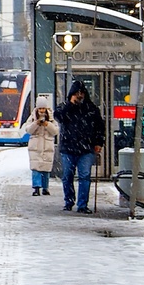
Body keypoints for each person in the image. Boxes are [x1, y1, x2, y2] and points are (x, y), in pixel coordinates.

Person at [55, 79, 105, 214]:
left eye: (81, 93)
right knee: (68, 176)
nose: (79, 96)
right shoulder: (65, 107)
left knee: (84, 176)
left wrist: (98, 142)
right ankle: (69, 201)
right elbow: (58, 116)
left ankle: (82, 204)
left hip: (86, 149)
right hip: (69, 148)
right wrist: (70, 105)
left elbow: (99, 127)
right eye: (76, 93)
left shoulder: (91, 109)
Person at [22, 95, 59, 197]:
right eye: (40, 108)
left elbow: (55, 131)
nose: (42, 111)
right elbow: (28, 130)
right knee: (36, 168)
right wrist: (36, 123)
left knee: (46, 169)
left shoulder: (51, 118)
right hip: (35, 147)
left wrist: (47, 124)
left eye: (43, 108)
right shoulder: (32, 117)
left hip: (47, 146)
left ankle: (45, 187)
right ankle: (36, 188)